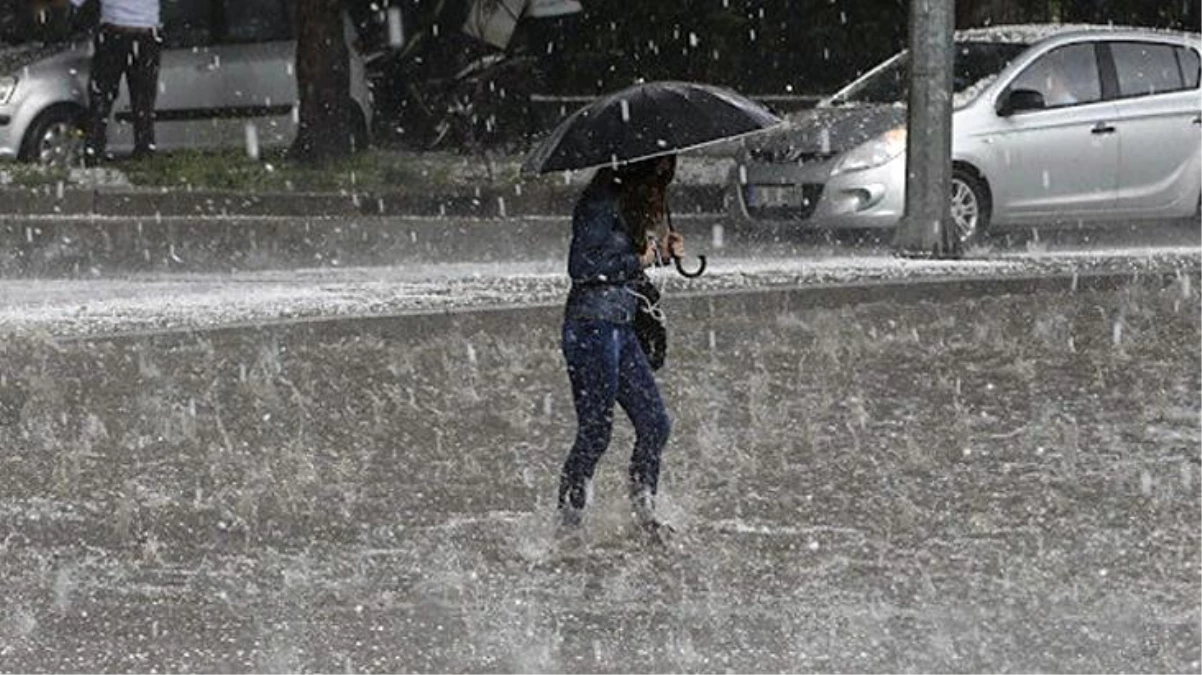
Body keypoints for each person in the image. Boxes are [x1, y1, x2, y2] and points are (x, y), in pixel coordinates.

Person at [557, 154, 685, 537]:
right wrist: (641, 257)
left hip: (621, 325)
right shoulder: (600, 200)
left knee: (655, 424)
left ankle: (645, 515)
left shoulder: (627, 201)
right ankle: (568, 525)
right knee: (596, 431)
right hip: (591, 326)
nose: (663, 182)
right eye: (660, 172)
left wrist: (660, 254)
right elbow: (582, 266)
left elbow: (623, 263)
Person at [64, 0, 162, 164]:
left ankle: (96, 152)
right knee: (139, 103)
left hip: (120, 33)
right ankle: (138, 154)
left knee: (107, 100)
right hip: (138, 34)